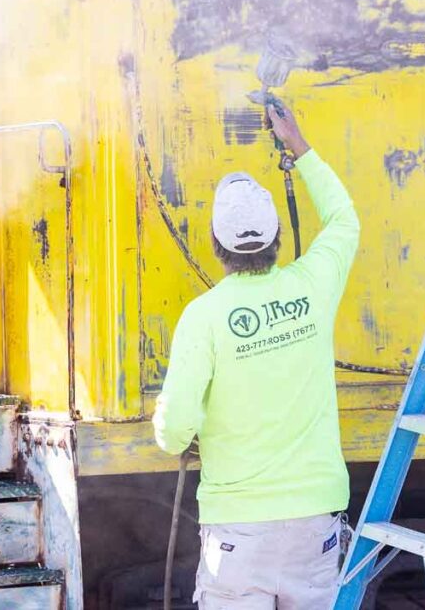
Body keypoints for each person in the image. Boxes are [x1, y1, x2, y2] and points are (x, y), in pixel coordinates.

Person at [152, 101, 360, 609]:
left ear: (216, 245)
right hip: (315, 524)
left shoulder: (204, 316)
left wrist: (179, 433)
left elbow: (174, 428)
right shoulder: (312, 286)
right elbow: (344, 220)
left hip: (240, 533)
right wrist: (299, 147)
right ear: (277, 238)